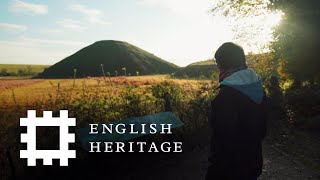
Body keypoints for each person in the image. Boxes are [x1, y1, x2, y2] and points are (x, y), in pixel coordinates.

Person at [205, 42, 267, 180]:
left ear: (222, 65)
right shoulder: (258, 88)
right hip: (254, 163)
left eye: (218, 64)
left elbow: (221, 143)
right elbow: (262, 131)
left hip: (230, 170)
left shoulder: (226, 96)